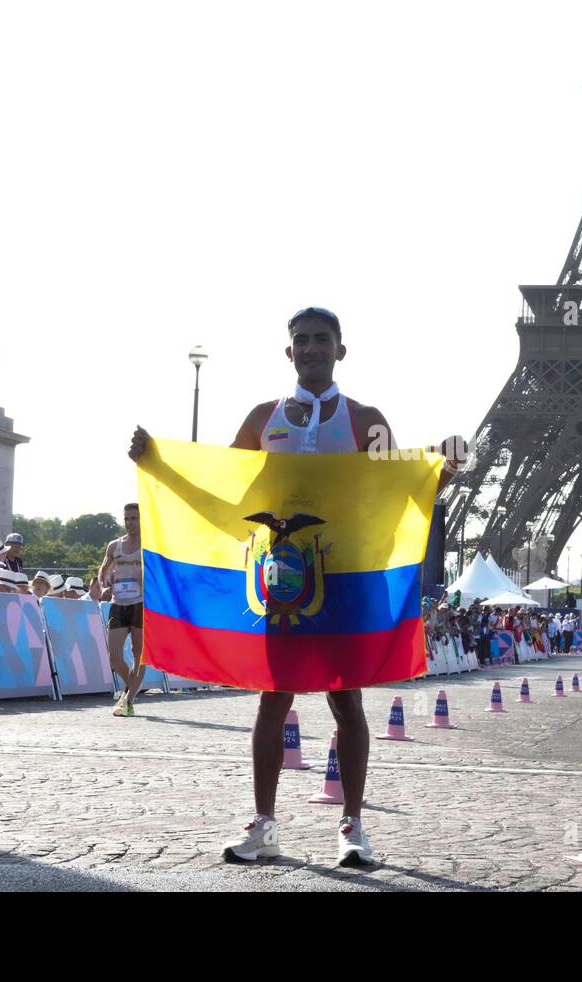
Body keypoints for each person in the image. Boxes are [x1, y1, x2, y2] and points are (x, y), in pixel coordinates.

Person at [128, 304, 461, 868]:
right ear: (289, 352)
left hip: (344, 579)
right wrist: (157, 463)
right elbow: (224, 483)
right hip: (278, 579)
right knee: (272, 696)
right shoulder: (264, 418)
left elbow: (394, 493)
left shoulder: (366, 419)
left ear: (340, 349)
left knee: (346, 697)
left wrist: (439, 473)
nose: (310, 349)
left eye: (320, 340)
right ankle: (264, 823)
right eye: (301, 340)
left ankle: (352, 826)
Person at [99, 503, 145, 718]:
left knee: (138, 654)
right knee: (114, 656)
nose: (130, 523)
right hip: (119, 603)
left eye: (134, 518)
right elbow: (104, 568)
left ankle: (129, 700)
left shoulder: (149, 545)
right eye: (127, 519)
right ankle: (132, 687)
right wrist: (104, 584)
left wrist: (144, 579)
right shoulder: (114, 545)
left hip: (141, 604)